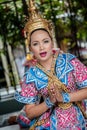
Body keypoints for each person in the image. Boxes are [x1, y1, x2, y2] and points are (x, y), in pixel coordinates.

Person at [14, 0, 87, 129]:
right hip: (51, 123)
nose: (42, 47)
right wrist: (50, 100)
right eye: (35, 44)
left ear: (52, 42)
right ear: (30, 48)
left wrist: (63, 97)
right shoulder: (31, 76)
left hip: (79, 118)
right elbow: (30, 113)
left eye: (45, 41)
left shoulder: (69, 61)